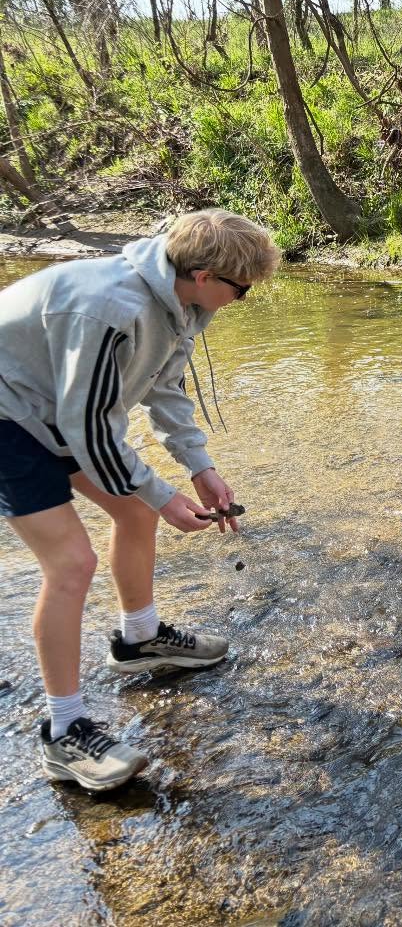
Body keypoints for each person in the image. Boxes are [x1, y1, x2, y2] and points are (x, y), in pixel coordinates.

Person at [0, 209, 279, 790]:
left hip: (52, 408)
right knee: (71, 564)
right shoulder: (111, 309)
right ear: (203, 275)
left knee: (132, 512)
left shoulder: (181, 305)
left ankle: (138, 638)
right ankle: (64, 731)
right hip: (9, 415)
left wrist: (199, 467)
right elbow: (91, 428)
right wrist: (162, 494)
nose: (243, 300)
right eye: (242, 290)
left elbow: (164, 388)